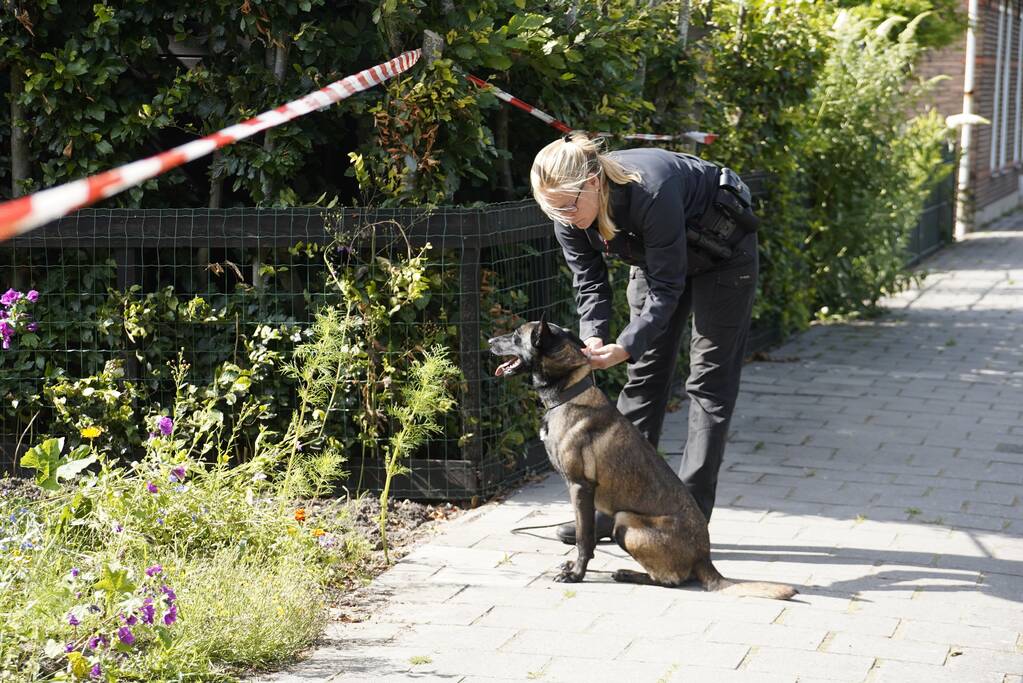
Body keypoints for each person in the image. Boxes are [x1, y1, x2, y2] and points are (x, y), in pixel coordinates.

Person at [530, 132, 760, 545]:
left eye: (567, 204)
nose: (563, 216)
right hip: (659, 263)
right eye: (553, 209)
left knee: (708, 386)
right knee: (643, 380)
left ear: (594, 183)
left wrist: (628, 344)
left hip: (724, 258)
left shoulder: (651, 189)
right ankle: (614, 510)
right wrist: (595, 339)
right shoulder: (567, 215)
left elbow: (668, 289)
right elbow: (589, 284)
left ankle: (685, 520)